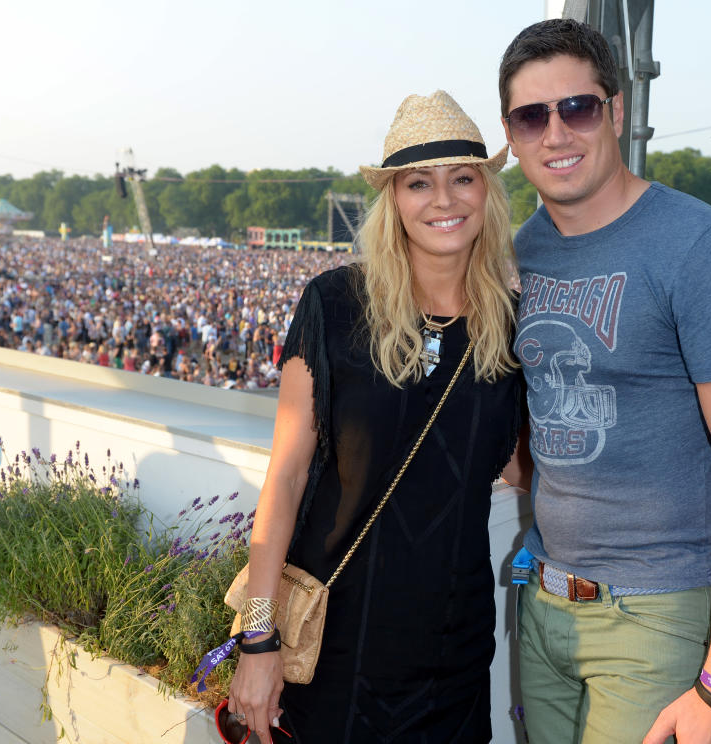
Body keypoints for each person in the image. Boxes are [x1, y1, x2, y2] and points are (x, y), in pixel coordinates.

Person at [498, 19, 711, 744]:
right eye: (531, 116)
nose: (556, 134)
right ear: (510, 135)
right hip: (542, 599)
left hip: (653, 616)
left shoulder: (704, 250)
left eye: (578, 107)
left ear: (619, 109)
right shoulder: (519, 253)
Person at [228, 90, 531, 744]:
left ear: (488, 192)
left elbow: (520, 463)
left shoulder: (513, 325)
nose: (443, 200)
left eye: (462, 179)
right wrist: (258, 636)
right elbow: (284, 479)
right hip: (338, 644)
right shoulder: (334, 305)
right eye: (419, 182)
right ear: (393, 198)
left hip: (454, 652)